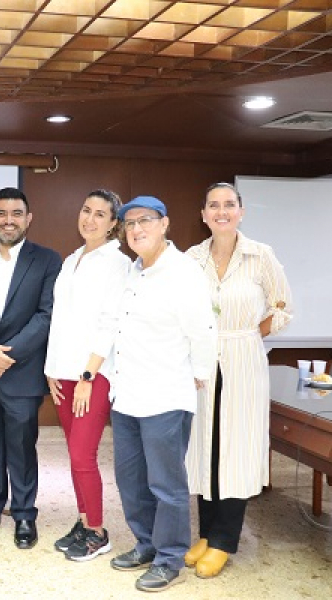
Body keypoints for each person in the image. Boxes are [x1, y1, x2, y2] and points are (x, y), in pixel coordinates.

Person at [108, 196, 217, 593]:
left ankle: (169, 557)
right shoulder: (133, 271)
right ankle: (146, 544)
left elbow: (203, 330)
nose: (136, 229)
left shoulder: (184, 272)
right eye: (129, 223)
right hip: (127, 395)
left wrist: (200, 373)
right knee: (130, 480)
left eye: (145, 220)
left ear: (164, 224)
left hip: (165, 397)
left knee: (166, 485)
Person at [183, 183, 292, 578]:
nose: (222, 211)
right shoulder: (192, 258)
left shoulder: (261, 256)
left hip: (243, 360)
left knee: (236, 449)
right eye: (214, 205)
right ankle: (206, 533)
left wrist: (247, 336)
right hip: (201, 363)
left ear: (241, 212)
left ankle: (224, 540)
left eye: (229, 204)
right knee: (205, 446)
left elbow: (283, 308)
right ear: (204, 214)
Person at [0, 188, 61, 550]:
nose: (9, 220)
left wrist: (9, 354)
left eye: (16, 213)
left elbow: (46, 314)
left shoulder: (47, 260)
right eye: (2, 213)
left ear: (28, 218)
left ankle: (23, 513)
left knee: (22, 447)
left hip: (23, 373)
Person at [44, 189, 131, 561]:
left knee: (83, 455)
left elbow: (110, 324)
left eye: (100, 214)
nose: (89, 219)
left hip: (92, 375)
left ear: (113, 224)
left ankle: (97, 531)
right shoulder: (71, 260)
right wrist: (51, 370)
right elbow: (59, 320)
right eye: (86, 210)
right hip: (63, 373)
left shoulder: (117, 264)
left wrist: (87, 376)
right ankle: (83, 522)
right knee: (74, 455)